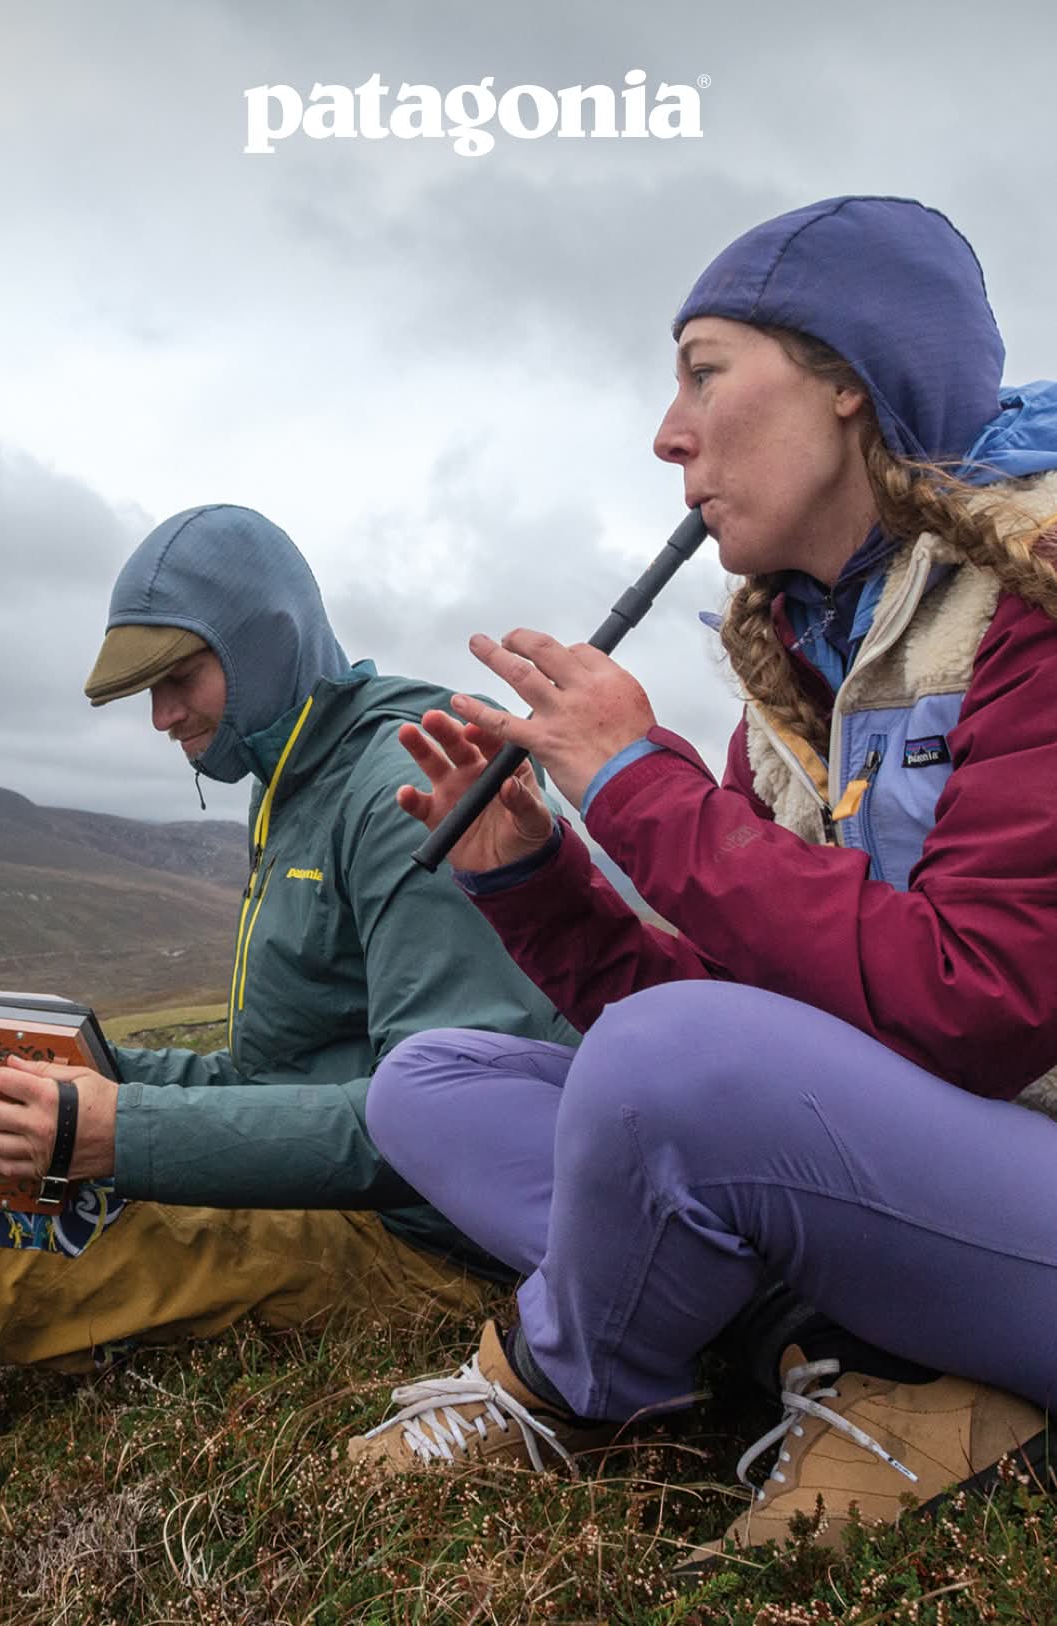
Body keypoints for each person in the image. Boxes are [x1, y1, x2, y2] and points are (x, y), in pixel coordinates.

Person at [347, 196, 1057, 1555]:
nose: (667, 432)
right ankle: (858, 1355)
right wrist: (539, 877)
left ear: (846, 378)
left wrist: (638, 784)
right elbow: (727, 1018)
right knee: (426, 1082)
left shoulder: (1032, 599)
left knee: (673, 1069)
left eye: (703, 370)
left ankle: (567, 1380)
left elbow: (985, 998)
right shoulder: (792, 671)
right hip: (913, 1174)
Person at [0, 504, 576, 1432]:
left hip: (428, 1244)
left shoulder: (400, 789)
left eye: (180, 680)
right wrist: (91, 1072)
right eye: (149, 691)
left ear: (263, 645)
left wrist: (118, 1135)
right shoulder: (295, 782)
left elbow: (455, 1125)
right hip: (329, 1195)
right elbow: (286, 1076)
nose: (163, 716)